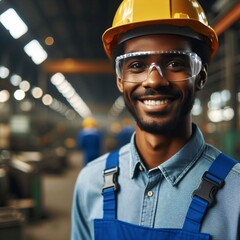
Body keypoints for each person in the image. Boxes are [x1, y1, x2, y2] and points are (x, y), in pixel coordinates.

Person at [71, 0, 240, 239]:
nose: (154, 81)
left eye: (175, 63)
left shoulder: (236, 196)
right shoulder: (90, 183)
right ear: (121, 80)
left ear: (200, 76)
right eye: (137, 65)